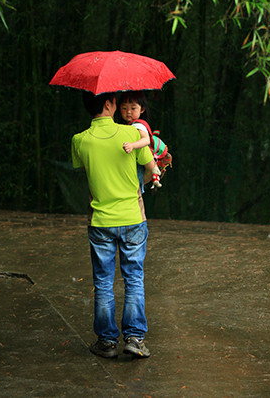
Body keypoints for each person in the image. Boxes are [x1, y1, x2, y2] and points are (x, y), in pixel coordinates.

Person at [71, 91, 155, 359]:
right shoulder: (132, 134)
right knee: (133, 278)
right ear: (109, 104)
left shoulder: (79, 141)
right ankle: (134, 338)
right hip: (132, 218)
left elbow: (87, 171)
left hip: (100, 221)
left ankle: (106, 342)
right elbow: (150, 166)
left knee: (104, 282)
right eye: (117, 102)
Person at [118, 91, 171, 190]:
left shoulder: (138, 125)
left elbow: (146, 140)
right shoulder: (128, 125)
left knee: (137, 186)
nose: (128, 111)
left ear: (142, 109)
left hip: (141, 161)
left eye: (133, 108)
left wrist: (132, 145)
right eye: (124, 108)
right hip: (141, 161)